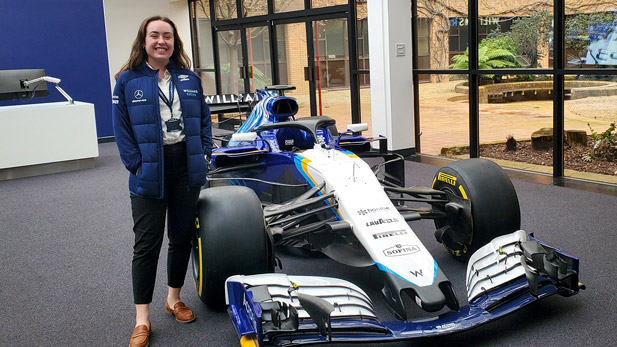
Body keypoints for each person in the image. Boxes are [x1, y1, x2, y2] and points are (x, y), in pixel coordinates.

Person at [112, 15, 212, 347]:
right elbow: (122, 131)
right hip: (148, 172)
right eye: (154, 35)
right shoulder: (127, 81)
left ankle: (173, 298)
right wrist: (136, 165)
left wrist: (206, 153)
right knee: (147, 246)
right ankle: (142, 318)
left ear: (174, 42)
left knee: (181, 237)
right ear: (143, 41)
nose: (161, 41)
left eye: (167, 36)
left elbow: (204, 122)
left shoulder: (189, 79)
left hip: (186, 167)